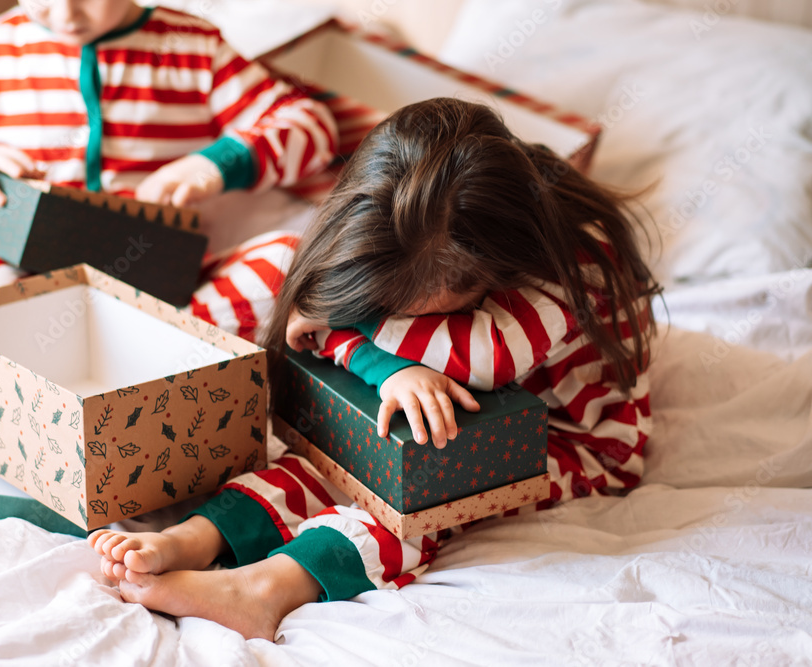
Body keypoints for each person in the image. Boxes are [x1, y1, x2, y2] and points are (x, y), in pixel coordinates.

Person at [89, 97, 661, 640]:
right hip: (478, 400)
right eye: (378, 305)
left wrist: (345, 330)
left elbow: (485, 359)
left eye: (416, 319)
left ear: (494, 269)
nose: (387, 321)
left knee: (425, 490)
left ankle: (267, 587)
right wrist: (378, 361)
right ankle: (201, 535)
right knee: (340, 457)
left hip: (573, 441)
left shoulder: (575, 261)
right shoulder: (400, 222)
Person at [0, 0, 337, 334]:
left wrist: (214, 165)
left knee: (291, 263)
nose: (63, 12)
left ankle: (161, 345)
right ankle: (52, 370)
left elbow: (310, 127)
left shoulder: (193, 46)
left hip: (170, 286)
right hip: (30, 285)